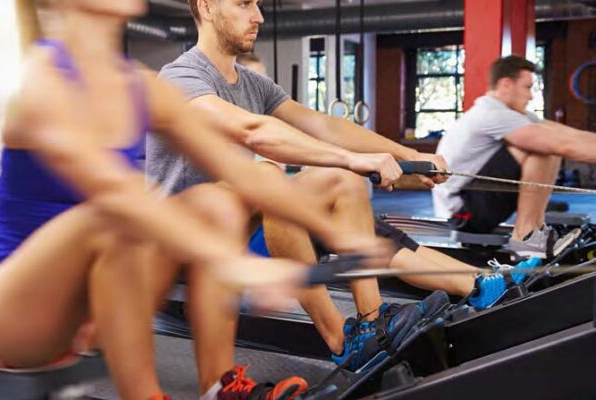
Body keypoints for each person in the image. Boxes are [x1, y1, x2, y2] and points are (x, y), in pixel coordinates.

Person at [0, 1, 394, 399]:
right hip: (22, 318)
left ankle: (219, 386)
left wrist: (339, 235)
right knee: (110, 218)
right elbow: (120, 195)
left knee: (216, 201)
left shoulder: (140, 85)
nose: (257, 13)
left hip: (104, 304)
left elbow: (241, 172)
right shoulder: (40, 81)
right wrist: (235, 262)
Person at [146, 0, 541, 394]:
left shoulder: (252, 84)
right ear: (206, 6)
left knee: (341, 181)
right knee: (269, 179)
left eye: (259, 4)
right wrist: (353, 157)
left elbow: (322, 124)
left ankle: (367, 330)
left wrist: (405, 155)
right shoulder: (181, 76)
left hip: (238, 227)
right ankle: (335, 336)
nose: (258, 16)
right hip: (178, 242)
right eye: (244, 3)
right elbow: (253, 131)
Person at [433, 55, 596, 258]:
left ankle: (535, 230)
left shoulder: (512, 114)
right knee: (542, 146)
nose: (531, 96)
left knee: (546, 140)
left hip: (477, 201)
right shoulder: (491, 113)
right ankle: (525, 236)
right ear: (506, 85)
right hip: (462, 214)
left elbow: (568, 135)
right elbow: (562, 144)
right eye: (527, 87)